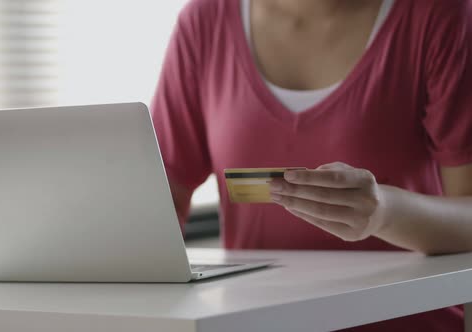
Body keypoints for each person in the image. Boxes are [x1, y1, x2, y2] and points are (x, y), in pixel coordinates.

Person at [150, 0, 472, 330]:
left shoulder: (440, 14)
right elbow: (156, 203)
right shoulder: (205, 21)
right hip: (259, 322)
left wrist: (383, 212)